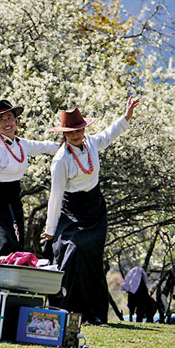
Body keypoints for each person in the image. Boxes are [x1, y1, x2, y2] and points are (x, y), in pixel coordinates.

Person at [40, 97, 140, 324]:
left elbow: (108, 134)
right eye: (71, 132)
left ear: (84, 129)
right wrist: (50, 229)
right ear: (64, 134)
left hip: (95, 210)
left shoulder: (92, 143)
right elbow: (55, 197)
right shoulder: (60, 160)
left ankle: (94, 314)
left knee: (93, 260)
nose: (76, 135)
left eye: (79, 130)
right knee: (72, 254)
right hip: (71, 211)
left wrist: (126, 117)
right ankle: (69, 310)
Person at [0, 99, 60, 257]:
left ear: (16, 121)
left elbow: (44, 146)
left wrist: (66, 145)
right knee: (2, 242)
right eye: (1, 119)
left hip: (13, 199)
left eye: (9, 118)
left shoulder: (22, 144)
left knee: (17, 243)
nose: (6, 123)